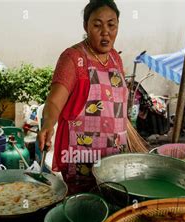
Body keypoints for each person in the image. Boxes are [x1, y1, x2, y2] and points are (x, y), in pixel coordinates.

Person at [37, 0, 128, 194]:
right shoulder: (73, 58)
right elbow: (54, 101)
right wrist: (47, 124)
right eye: (97, 25)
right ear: (86, 26)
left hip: (114, 155)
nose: (105, 32)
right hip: (82, 157)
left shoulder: (115, 58)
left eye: (111, 25)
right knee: (84, 209)